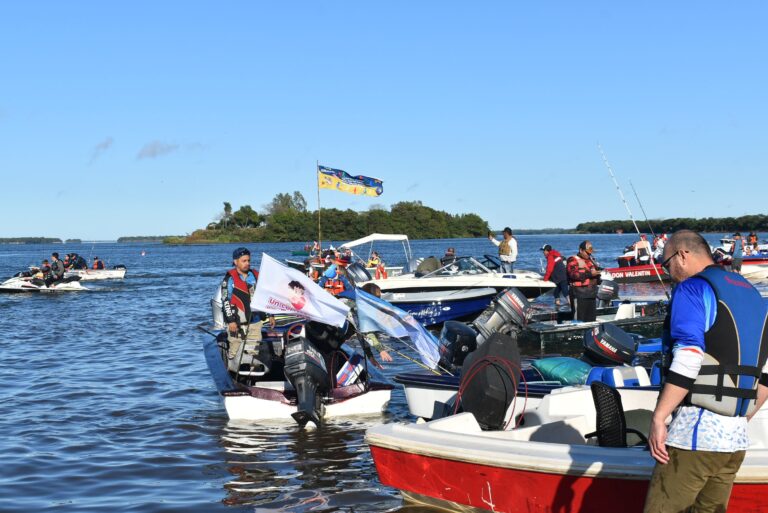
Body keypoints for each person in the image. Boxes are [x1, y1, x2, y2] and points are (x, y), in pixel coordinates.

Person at [644, 230, 768, 513]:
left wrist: (660, 417)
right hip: (734, 442)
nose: (669, 273)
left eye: (666, 264)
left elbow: (689, 356)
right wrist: (742, 414)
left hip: (694, 436)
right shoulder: (752, 294)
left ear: (683, 255)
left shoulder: (692, 289)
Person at [220, 247, 269, 370]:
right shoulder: (229, 279)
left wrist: (271, 315)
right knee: (235, 349)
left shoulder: (256, 276)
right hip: (236, 322)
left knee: (253, 351)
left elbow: (265, 296)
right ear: (236, 262)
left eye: (248, 260)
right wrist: (231, 320)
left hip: (255, 322)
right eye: (244, 261)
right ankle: (232, 372)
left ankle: (252, 374)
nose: (247, 263)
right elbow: (225, 301)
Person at [566, 240, 600, 322]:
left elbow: (596, 274)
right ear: (581, 250)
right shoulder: (572, 260)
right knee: (579, 320)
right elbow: (573, 275)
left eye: (590, 253)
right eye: (587, 252)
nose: (589, 254)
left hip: (591, 295)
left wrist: (601, 274)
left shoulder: (591, 260)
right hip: (579, 294)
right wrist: (590, 274)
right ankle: (578, 334)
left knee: (591, 320)